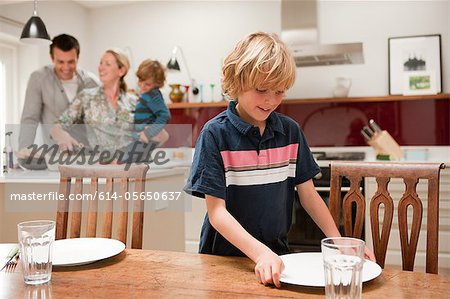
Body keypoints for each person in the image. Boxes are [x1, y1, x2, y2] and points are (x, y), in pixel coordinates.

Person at [184, 32, 375, 288]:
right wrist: (260, 253)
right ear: (236, 81)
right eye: (261, 89)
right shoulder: (214, 134)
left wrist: (337, 240)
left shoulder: (290, 132)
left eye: (280, 92)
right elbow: (217, 212)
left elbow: (308, 196)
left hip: (277, 257)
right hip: (224, 260)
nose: (271, 100)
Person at [50, 48, 137, 156]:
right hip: (99, 165)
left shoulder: (134, 101)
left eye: (107, 64)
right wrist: (62, 136)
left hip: (131, 165)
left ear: (121, 71)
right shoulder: (86, 97)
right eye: (101, 63)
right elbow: (57, 126)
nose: (101, 68)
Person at [18, 34, 99, 150]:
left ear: (78, 57)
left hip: (87, 154)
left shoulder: (91, 82)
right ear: (52, 58)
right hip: (55, 156)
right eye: (60, 62)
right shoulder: (39, 79)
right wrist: (24, 151)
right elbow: (30, 119)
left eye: (71, 61)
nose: (66, 67)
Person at [133, 59, 170, 146]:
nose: (142, 86)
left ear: (157, 84)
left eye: (147, 84)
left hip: (144, 138)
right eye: (140, 81)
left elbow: (165, 115)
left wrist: (148, 133)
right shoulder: (147, 94)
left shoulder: (153, 95)